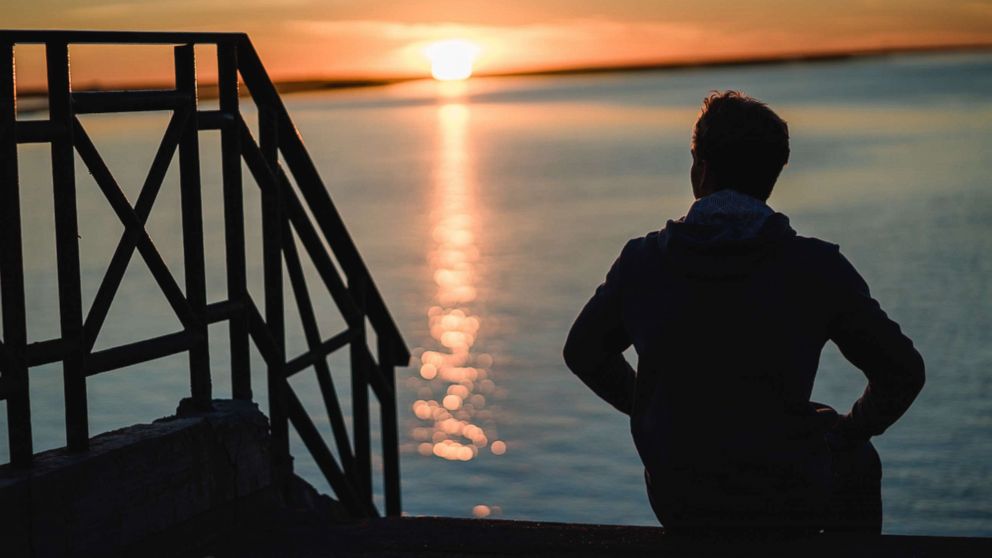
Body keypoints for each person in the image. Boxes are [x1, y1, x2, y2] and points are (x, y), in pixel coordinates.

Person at [563, 90, 925, 537]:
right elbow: (903, 371)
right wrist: (847, 433)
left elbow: (582, 352)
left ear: (701, 169)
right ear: (772, 176)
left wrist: (651, 407)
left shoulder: (643, 263)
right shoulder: (815, 268)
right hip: (781, 492)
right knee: (856, 458)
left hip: (681, 495)